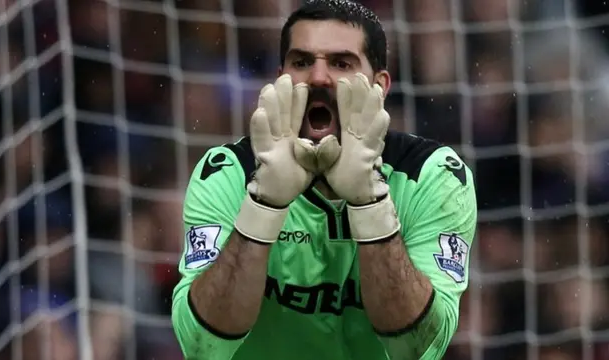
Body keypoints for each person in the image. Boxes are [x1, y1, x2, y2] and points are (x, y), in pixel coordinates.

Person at [171, 0, 477, 359]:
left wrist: (370, 200)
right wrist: (263, 205)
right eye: (301, 62)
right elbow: (202, 342)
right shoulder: (227, 173)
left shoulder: (431, 175)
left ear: (380, 85)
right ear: (280, 78)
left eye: (341, 63)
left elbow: (418, 343)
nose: (318, 77)